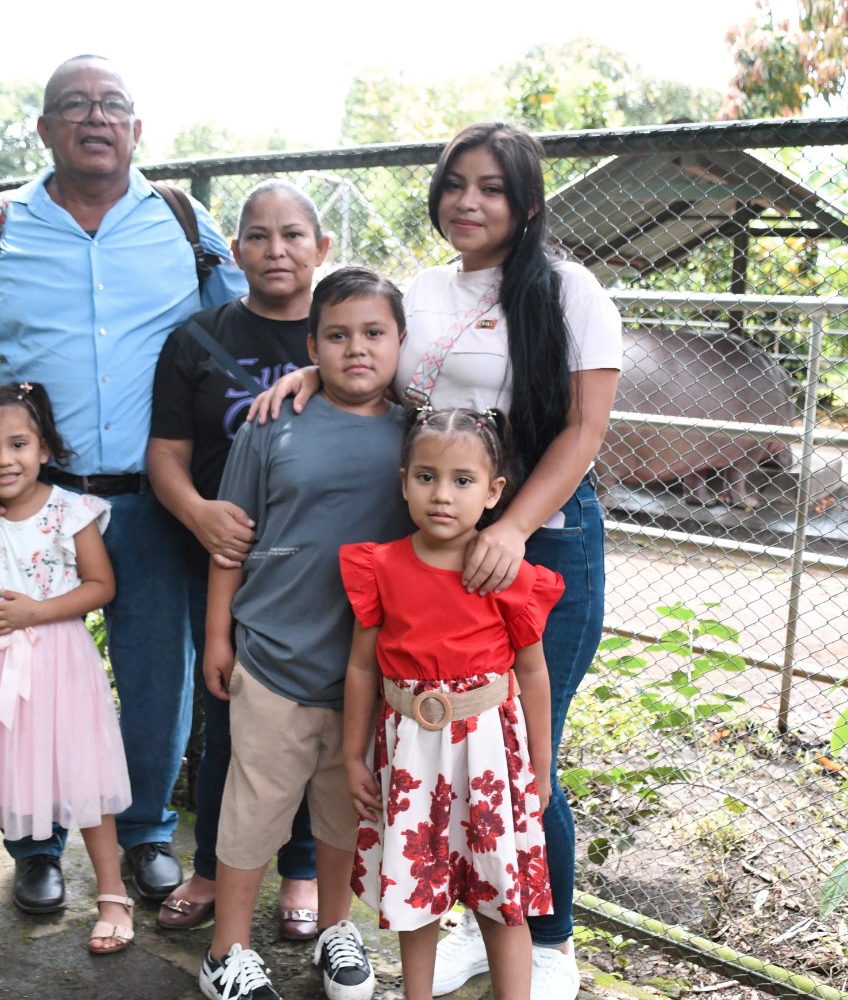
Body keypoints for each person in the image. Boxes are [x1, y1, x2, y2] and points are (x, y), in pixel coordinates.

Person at [252, 120, 622, 1000]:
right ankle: (464, 921)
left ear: (528, 202)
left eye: (492, 187)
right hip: (433, 547)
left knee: (522, 750)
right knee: (438, 754)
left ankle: (549, 940)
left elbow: (584, 430)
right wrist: (317, 377)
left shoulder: (569, 292)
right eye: (456, 183)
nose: (468, 201)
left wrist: (513, 529)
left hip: (541, 538)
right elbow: (377, 363)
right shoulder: (426, 289)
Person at [0, 53, 247, 915]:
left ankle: (144, 835)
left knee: (158, 678)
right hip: (35, 503)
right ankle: (35, 846)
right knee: (22, 673)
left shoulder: (183, 220)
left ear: (137, 129)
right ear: (45, 129)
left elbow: (252, 315)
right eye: (75, 105)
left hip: (154, 500)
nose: (95, 118)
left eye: (112, 105)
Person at [198, 268, 411, 1000]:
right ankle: (226, 949)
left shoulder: (419, 431)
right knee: (253, 809)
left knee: (342, 809)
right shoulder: (272, 423)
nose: (358, 349)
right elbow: (234, 539)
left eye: (375, 333)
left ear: (401, 342)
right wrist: (219, 636)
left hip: (369, 673)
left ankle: (335, 930)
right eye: (338, 335)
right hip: (274, 658)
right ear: (312, 344)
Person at [147, 179, 330, 938]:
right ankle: (212, 871)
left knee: (319, 724)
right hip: (225, 566)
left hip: (322, 571)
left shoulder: (350, 329)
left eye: (293, 234)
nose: (275, 249)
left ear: (322, 248)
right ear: (235, 252)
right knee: (230, 723)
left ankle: (303, 874)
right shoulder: (197, 339)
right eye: (257, 235)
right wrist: (199, 512)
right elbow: (165, 454)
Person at [340, 407, 561, 1000]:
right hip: (409, 757)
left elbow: (533, 672)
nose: (443, 495)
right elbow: (362, 667)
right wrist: (352, 755)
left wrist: (540, 767)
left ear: (494, 493)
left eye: (463, 481)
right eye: (426, 477)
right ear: (404, 480)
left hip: (489, 755)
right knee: (417, 892)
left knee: (499, 894)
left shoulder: (505, 574)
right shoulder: (381, 567)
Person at [0, 383, 134, 956]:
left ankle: (113, 897)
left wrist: (36, 612)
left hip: (58, 663)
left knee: (81, 775)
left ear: (44, 447)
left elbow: (101, 585)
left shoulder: (71, 511)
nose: (4, 459)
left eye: (18, 444)